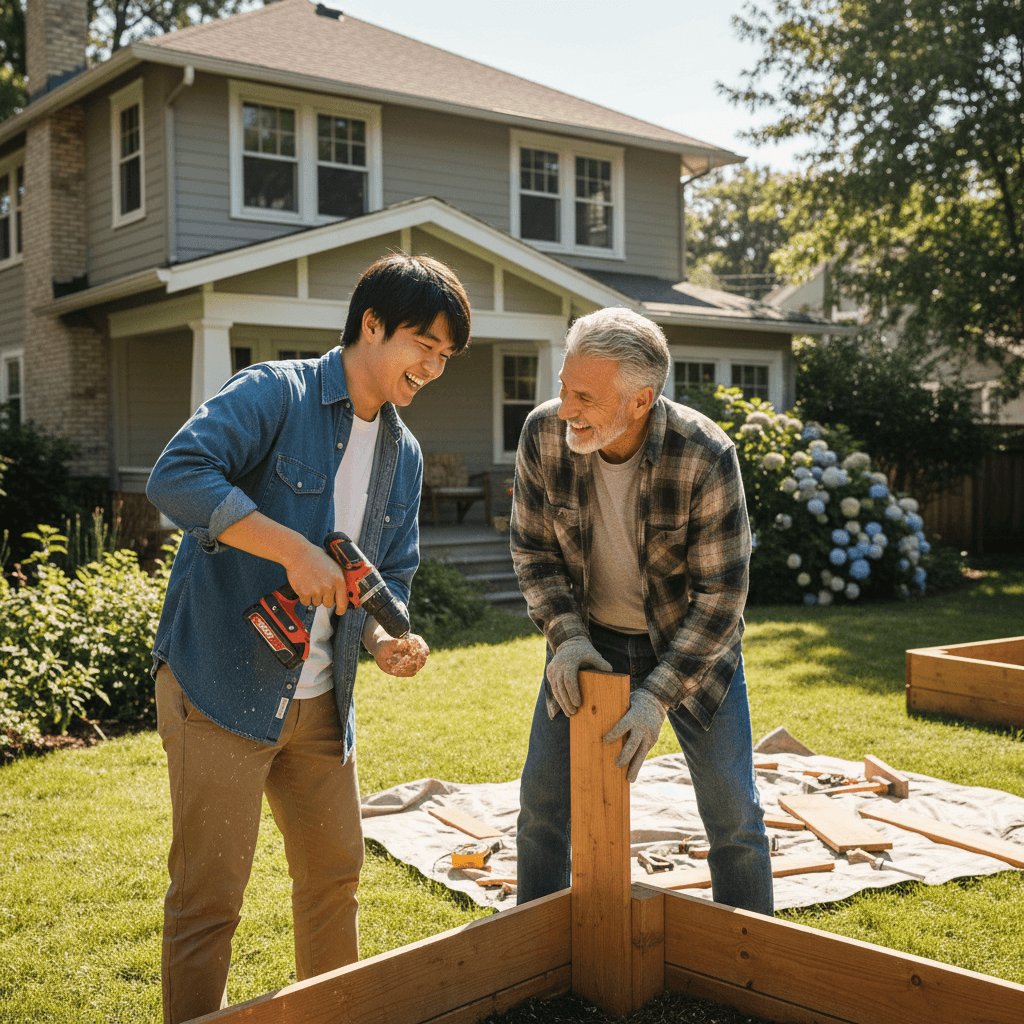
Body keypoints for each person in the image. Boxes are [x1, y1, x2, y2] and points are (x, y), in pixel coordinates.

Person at [146, 253, 472, 1024]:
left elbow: (387, 570)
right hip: (221, 684)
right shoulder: (274, 392)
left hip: (325, 702)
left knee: (334, 878)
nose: (432, 365)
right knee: (210, 900)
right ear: (371, 325)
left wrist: (385, 642)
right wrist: (290, 549)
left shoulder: (405, 452)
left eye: (445, 356)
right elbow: (176, 476)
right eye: (423, 344)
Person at [510, 306, 772, 915]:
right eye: (563, 387)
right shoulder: (543, 434)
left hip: (689, 649)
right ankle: (530, 959)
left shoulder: (705, 453)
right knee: (542, 808)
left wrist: (655, 697)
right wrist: (567, 640)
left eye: (584, 396)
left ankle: (754, 961)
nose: (566, 408)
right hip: (587, 640)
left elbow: (721, 600)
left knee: (735, 813)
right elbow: (533, 553)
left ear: (640, 399)